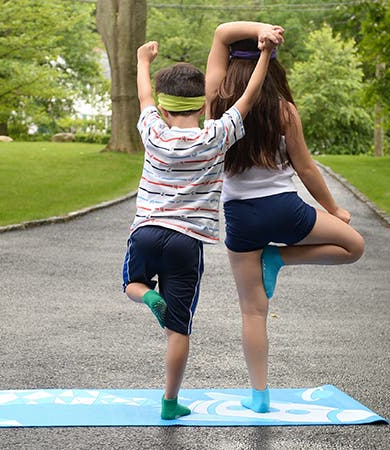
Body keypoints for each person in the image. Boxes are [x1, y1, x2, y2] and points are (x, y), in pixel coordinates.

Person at [204, 21, 365, 413]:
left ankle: (259, 397)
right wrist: (335, 210)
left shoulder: (215, 101)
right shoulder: (282, 110)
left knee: (252, 310)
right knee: (353, 246)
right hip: (285, 212)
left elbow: (222, 31)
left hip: (240, 217)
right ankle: (279, 257)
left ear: (229, 63)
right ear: (272, 66)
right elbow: (306, 169)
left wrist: (258, 31)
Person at [123, 37, 278, 420]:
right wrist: (263, 57)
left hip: (145, 231)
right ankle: (170, 403)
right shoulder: (217, 135)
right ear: (203, 104)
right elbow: (250, 96)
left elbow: (143, 95)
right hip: (187, 242)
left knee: (131, 283)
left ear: (163, 106)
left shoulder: (153, 131)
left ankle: (145, 295)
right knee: (178, 329)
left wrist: (143, 61)